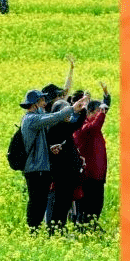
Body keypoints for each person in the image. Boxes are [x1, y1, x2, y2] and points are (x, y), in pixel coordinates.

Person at [19, 89, 89, 231]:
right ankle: (34, 232)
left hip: (41, 169)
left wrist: (50, 147)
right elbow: (55, 118)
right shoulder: (32, 119)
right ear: (35, 104)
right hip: (35, 169)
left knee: (40, 203)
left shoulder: (38, 118)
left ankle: (37, 233)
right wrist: (72, 109)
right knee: (36, 203)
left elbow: (50, 131)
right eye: (42, 101)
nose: (45, 103)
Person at [42, 99, 85, 232]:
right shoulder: (58, 126)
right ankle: (56, 230)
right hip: (63, 174)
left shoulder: (54, 126)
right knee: (61, 204)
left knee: (62, 204)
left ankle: (57, 229)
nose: (69, 116)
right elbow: (78, 123)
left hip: (65, 173)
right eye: (65, 113)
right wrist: (82, 109)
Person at [73, 84, 111, 228]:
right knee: (88, 206)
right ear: (89, 112)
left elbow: (99, 120)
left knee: (97, 205)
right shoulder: (83, 127)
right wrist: (102, 113)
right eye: (97, 111)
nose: (100, 114)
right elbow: (96, 126)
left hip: (97, 176)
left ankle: (91, 228)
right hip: (88, 176)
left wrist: (106, 96)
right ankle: (84, 229)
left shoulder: (90, 125)